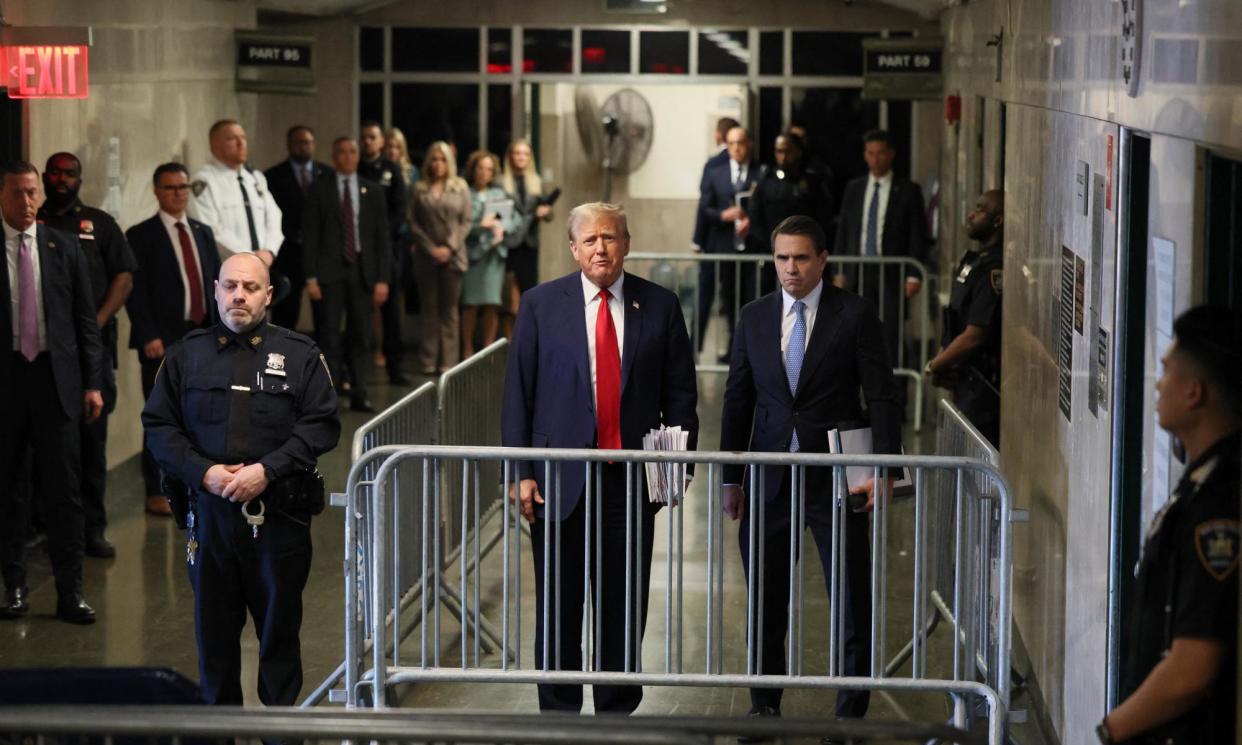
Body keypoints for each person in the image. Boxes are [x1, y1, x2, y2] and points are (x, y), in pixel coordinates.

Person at [501, 201, 698, 714]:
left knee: (623, 601)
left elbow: (680, 394)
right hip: (558, 480)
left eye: (610, 237)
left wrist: (677, 467)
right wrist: (519, 473)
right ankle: (559, 709)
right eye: (589, 240)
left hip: (629, 481)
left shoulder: (660, 305)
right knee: (559, 605)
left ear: (627, 245)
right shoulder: (542, 305)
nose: (600, 248)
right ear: (573, 249)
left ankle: (616, 705)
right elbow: (517, 395)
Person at [719, 215, 901, 740]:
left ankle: (850, 711)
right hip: (770, 476)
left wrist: (884, 466)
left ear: (823, 259)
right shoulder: (755, 317)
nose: (791, 269)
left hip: (836, 478)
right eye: (782, 258)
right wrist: (732, 476)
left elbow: (882, 393)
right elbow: (737, 398)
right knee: (765, 596)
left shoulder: (855, 314)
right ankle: (764, 703)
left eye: (801, 257)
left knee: (849, 592)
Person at [141, 252, 340, 707]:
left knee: (280, 642)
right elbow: (159, 428)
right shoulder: (185, 355)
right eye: (230, 285)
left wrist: (266, 470)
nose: (238, 295)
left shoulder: (299, 355)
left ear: (268, 295)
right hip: (210, 523)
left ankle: (279, 735)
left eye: (250, 288)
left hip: (279, 521)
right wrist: (203, 472)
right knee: (214, 647)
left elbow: (322, 424)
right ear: (216, 290)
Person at [1099, 305, 1240, 745]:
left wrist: (1111, 730)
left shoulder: (1219, 506)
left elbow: (1192, 669)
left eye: (1166, 371)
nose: (1158, 384)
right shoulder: (1202, 484)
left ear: (1194, 392)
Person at [0, 160, 104, 624]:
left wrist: (93, 382)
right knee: (10, 491)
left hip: (55, 379)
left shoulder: (63, 248)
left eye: (32, 193)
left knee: (64, 492)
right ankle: (14, 588)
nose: (27, 202)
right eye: (18, 193)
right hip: (7, 381)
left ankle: (71, 593)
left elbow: (85, 321)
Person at [37, 152, 136, 558]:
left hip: (91, 353)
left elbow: (125, 275)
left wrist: (95, 320)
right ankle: (42, 527)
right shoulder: (32, 221)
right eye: (56, 173)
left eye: (70, 173)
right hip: (42, 352)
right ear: (46, 177)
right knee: (43, 446)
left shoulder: (99, 224)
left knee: (91, 444)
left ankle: (93, 528)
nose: (62, 179)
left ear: (80, 178)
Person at [125, 162, 222, 516]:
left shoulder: (202, 231)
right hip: (161, 339)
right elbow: (136, 292)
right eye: (170, 188)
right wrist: (148, 333)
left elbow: (214, 285)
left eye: (182, 187)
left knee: (199, 413)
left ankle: (194, 484)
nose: (178, 193)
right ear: (156, 191)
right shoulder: (141, 234)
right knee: (161, 414)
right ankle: (156, 488)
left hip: (202, 335)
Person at [833, 129, 927, 394]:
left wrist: (913, 274)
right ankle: (852, 391)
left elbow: (917, 234)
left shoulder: (908, 190)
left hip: (892, 273)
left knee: (890, 334)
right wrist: (840, 269)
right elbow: (845, 230)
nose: (875, 159)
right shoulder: (854, 188)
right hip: (858, 270)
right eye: (870, 153)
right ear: (865, 155)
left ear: (891, 154)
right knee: (852, 330)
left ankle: (892, 394)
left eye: (881, 153)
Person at [303, 136, 391, 413]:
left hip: (362, 271)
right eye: (342, 152)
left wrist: (382, 279)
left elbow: (382, 239)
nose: (348, 156)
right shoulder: (321, 189)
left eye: (353, 152)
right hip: (329, 273)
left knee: (361, 335)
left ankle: (359, 392)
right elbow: (311, 235)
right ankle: (329, 395)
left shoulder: (372, 190)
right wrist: (311, 277)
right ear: (333, 155)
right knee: (329, 335)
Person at [926, 190, 1004, 446]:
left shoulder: (994, 268)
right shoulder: (974, 260)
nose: (971, 214)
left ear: (997, 221)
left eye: (980, 210)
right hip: (961, 382)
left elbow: (974, 335)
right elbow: (955, 321)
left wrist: (934, 365)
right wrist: (943, 359)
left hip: (981, 387)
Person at [408, 141, 471, 375]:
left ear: (449, 162)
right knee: (429, 308)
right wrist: (430, 248)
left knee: (450, 310)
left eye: (442, 159)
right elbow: (412, 220)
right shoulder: (420, 187)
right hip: (426, 256)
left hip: (453, 257)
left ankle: (449, 362)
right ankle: (428, 360)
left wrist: (449, 247)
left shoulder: (460, 186)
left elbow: (466, 221)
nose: (438, 164)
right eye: (434, 159)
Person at [747, 130, 836, 292]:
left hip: (803, 255)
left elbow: (823, 217)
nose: (782, 157)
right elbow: (755, 215)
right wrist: (771, 246)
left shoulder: (811, 182)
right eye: (779, 151)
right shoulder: (766, 181)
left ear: (798, 152)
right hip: (770, 255)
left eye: (787, 151)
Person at [697, 125, 758, 359]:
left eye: (740, 143)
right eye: (731, 143)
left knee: (749, 299)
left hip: (751, 248)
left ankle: (745, 349)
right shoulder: (716, 172)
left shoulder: (760, 172)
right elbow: (705, 208)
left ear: (748, 144)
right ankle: (730, 347)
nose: (736, 148)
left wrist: (751, 220)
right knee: (728, 299)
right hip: (723, 246)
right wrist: (723, 215)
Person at [187, 119, 283, 267]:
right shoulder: (203, 181)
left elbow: (274, 216)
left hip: (261, 267)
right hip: (225, 268)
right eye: (232, 139)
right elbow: (209, 228)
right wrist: (250, 257)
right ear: (214, 146)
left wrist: (269, 251)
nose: (241, 143)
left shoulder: (255, 178)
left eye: (243, 138)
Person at [265, 125, 332, 331]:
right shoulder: (273, 176)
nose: (303, 147)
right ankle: (282, 357)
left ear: (314, 144)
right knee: (286, 311)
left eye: (307, 142)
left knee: (325, 313)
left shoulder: (328, 175)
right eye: (298, 142)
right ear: (289, 145)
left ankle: (323, 359)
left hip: (320, 254)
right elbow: (272, 214)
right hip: (288, 252)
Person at [359, 121, 410, 385]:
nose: (368, 141)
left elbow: (400, 208)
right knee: (360, 310)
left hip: (386, 249)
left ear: (381, 141)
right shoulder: (356, 168)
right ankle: (356, 368)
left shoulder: (392, 170)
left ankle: (395, 366)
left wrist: (381, 235)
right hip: (358, 250)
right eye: (365, 137)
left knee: (391, 310)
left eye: (373, 137)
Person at [461, 149, 519, 358]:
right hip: (474, 254)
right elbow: (461, 225)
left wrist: (504, 227)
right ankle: (467, 349)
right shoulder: (465, 192)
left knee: (492, 303)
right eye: (480, 168)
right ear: (473, 169)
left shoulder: (499, 194)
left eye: (488, 169)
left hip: (495, 256)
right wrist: (479, 226)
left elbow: (513, 219)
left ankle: (486, 350)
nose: (484, 172)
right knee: (470, 304)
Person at [500, 139, 553, 339]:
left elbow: (549, 214)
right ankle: (509, 343)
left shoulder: (536, 182)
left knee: (527, 295)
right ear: (511, 156)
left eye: (525, 154)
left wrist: (545, 212)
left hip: (529, 245)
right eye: (517, 153)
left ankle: (525, 342)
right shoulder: (502, 181)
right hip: (508, 244)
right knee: (509, 302)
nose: (521, 157)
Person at [691, 117, 739, 252]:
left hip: (717, 236)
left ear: (718, 134)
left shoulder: (713, 164)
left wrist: (697, 240)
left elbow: (704, 204)